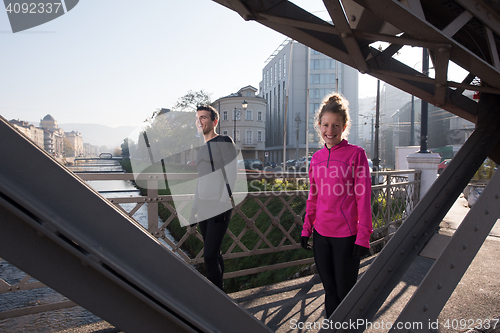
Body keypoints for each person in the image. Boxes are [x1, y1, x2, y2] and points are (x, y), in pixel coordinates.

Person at [300, 92, 373, 318]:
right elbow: (313, 197)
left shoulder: (356, 154)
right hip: (321, 235)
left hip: (346, 237)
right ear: (319, 126)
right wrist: (306, 229)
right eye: (325, 125)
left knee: (345, 293)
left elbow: (364, 198)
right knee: (330, 291)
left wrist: (363, 236)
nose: (329, 131)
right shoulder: (317, 158)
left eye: (335, 125)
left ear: (344, 126)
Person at [190, 105, 237, 290]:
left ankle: (216, 301)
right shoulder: (202, 149)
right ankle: (222, 292)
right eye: (197, 118)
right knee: (215, 253)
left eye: (203, 117)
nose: (199, 121)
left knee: (208, 255)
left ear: (214, 121)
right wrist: (194, 209)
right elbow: (200, 181)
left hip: (219, 206)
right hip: (202, 207)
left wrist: (222, 203)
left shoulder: (225, 141)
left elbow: (231, 175)